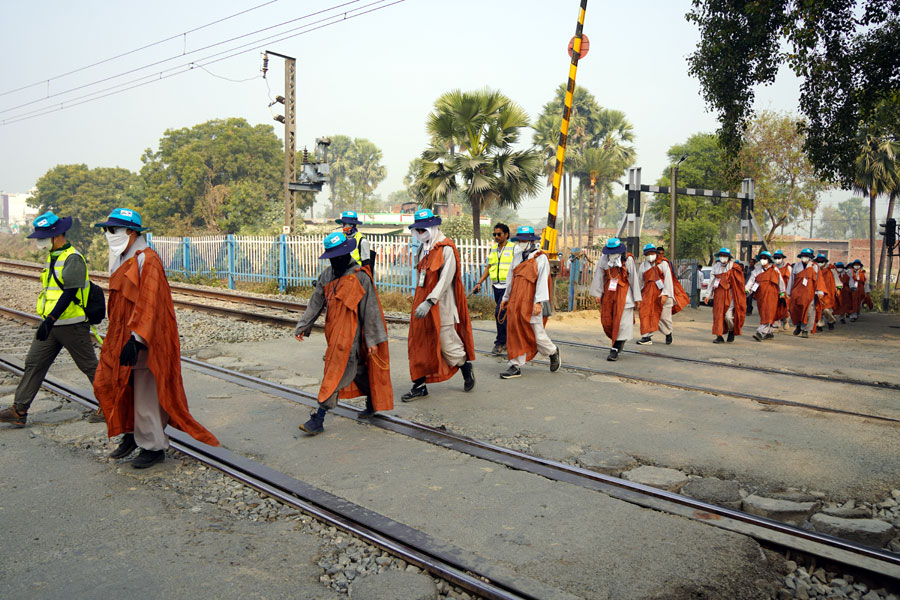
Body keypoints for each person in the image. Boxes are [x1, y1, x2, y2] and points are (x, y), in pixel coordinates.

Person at [92, 208, 219, 468]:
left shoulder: (147, 259)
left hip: (142, 340)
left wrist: (136, 339)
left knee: (146, 394)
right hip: (120, 336)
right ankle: (130, 434)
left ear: (130, 232)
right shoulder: (121, 257)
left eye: (112, 230)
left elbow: (150, 303)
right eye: (106, 229)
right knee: (116, 385)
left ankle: (153, 446)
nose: (108, 234)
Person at [0, 212, 98, 427]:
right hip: (51, 324)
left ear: (58, 234)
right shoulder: (53, 256)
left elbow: (70, 292)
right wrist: (48, 320)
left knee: (90, 366)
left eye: (44, 236)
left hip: (71, 324)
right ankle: (19, 411)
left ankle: (112, 407)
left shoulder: (72, 257)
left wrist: (50, 319)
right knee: (34, 363)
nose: (40, 240)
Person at [294, 232, 393, 434]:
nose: (334, 260)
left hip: (351, 335)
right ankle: (373, 399)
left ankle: (318, 418)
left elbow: (371, 310)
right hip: (333, 333)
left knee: (335, 373)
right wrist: (303, 325)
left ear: (346, 254)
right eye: (332, 256)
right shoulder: (327, 275)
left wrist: (372, 341)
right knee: (357, 371)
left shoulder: (360, 277)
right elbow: (315, 302)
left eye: (338, 256)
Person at [402, 208, 476, 401]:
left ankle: (465, 367)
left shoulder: (446, 248)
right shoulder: (422, 249)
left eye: (423, 229)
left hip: (441, 307)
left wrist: (430, 301)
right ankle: (419, 386)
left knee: (448, 345)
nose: (420, 233)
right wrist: (420, 300)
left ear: (433, 227)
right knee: (418, 344)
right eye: (417, 229)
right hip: (421, 306)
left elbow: (445, 279)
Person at [498, 226, 560, 378]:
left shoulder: (540, 258)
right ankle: (515, 365)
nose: (522, 242)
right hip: (515, 300)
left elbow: (542, 282)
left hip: (531, 301)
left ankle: (552, 351)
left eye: (525, 240)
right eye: (520, 240)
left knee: (536, 333)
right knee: (514, 331)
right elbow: (510, 278)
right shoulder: (517, 255)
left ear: (532, 241)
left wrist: (539, 302)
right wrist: (505, 298)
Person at [589, 237, 642, 361]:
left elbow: (634, 278)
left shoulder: (628, 260)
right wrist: (597, 293)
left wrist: (637, 298)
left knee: (622, 322)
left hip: (624, 294)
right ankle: (617, 342)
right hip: (608, 293)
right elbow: (599, 276)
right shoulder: (604, 259)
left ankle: (615, 348)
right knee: (607, 321)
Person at [472, 223, 514, 355]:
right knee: (504, 315)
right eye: (494, 234)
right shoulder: (493, 249)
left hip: (508, 287)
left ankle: (500, 343)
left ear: (506, 235)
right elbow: (489, 267)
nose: (496, 236)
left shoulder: (513, 249)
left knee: (499, 313)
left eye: (499, 234)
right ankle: (509, 340)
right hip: (496, 287)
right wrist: (479, 282)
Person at [636, 243, 675, 346]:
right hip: (647, 294)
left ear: (656, 253)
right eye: (648, 253)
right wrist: (637, 297)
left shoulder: (663, 264)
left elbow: (668, 280)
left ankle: (668, 333)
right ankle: (646, 337)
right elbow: (640, 282)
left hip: (660, 293)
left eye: (652, 253)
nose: (650, 255)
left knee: (663, 317)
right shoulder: (643, 266)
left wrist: (665, 294)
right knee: (644, 314)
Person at [706, 247, 746, 343]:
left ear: (729, 257)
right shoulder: (716, 267)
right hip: (719, 295)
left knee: (728, 317)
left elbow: (740, 283)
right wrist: (708, 295)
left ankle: (731, 330)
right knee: (718, 315)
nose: (723, 257)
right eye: (721, 256)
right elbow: (711, 282)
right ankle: (719, 336)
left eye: (725, 256)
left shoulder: (734, 268)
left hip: (731, 295)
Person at [744, 251, 785, 341]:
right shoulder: (757, 270)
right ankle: (769, 332)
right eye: (762, 258)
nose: (763, 260)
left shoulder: (775, 270)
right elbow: (751, 281)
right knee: (763, 313)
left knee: (769, 314)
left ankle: (760, 332)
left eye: (765, 258)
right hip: (761, 296)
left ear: (769, 260)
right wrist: (746, 290)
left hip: (772, 296)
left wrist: (782, 294)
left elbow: (780, 283)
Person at [787, 248, 820, 338]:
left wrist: (818, 292)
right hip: (797, 293)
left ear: (810, 258)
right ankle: (798, 325)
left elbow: (818, 280)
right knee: (796, 310)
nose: (804, 258)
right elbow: (791, 280)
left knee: (809, 312)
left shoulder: (814, 267)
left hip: (809, 293)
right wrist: (788, 292)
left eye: (806, 256)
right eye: (803, 256)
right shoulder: (796, 266)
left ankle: (805, 330)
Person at [814, 253, 838, 332]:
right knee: (818, 309)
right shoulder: (814, 269)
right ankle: (819, 325)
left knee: (826, 310)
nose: (820, 263)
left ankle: (831, 321)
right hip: (817, 292)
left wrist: (838, 289)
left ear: (825, 262)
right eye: (818, 261)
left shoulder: (831, 270)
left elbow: (837, 280)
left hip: (828, 293)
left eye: (822, 261)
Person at [772, 250, 792, 330]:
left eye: (778, 258)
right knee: (775, 307)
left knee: (785, 307)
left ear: (782, 258)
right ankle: (776, 324)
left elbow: (791, 280)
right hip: (775, 290)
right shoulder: (772, 267)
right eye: (775, 258)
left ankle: (786, 321)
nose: (777, 259)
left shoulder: (788, 267)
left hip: (785, 291)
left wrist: (789, 292)